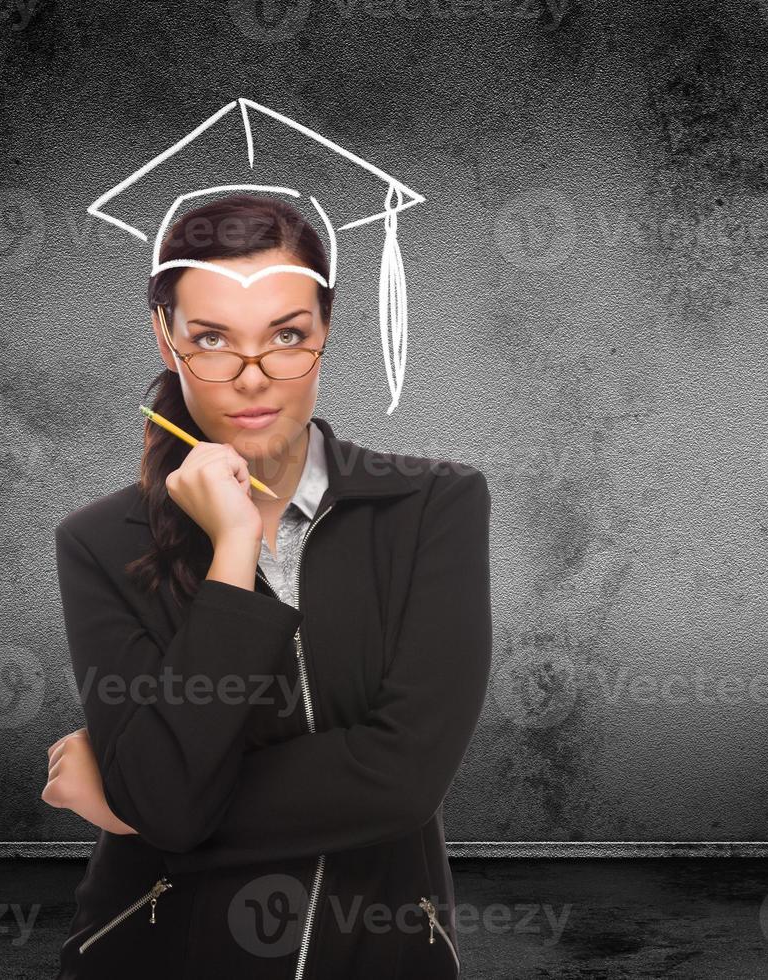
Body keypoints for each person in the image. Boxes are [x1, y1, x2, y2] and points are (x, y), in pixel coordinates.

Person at [42, 193, 491, 979]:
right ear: (165, 337)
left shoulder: (434, 507)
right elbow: (171, 796)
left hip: (378, 953)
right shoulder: (97, 543)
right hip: (158, 955)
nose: (253, 380)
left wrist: (133, 807)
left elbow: (401, 779)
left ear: (325, 331)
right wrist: (232, 551)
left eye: (286, 336)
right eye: (212, 340)